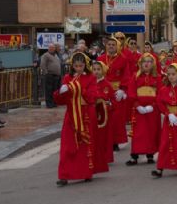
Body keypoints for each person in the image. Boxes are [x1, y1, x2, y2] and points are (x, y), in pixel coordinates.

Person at [53, 52, 105, 186]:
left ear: (85, 65)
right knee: (67, 145)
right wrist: (61, 92)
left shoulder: (91, 78)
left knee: (85, 144)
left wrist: (77, 88)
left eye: (81, 66)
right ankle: (64, 175)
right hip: (71, 115)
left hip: (86, 114)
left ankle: (86, 172)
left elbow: (93, 97)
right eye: (76, 66)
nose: (78, 69)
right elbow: (61, 100)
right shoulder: (67, 77)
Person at [126, 53, 162, 166]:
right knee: (138, 133)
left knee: (152, 131)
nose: (147, 64)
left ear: (153, 64)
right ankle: (134, 155)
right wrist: (137, 106)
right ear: (140, 64)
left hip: (152, 110)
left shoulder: (158, 77)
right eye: (144, 61)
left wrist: (153, 105)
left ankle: (150, 154)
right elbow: (131, 93)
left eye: (150, 62)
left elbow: (161, 94)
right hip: (139, 110)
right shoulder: (135, 76)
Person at [97, 37, 130, 150]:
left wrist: (123, 89)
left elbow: (126, 75)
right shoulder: (100, 58)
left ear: (117, 46)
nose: (111, 46)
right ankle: (104, 140)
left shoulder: (123, 59)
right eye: (109, 44)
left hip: (116, 93)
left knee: (116, 119)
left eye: (113, 44)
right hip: (102, 91)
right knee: (103, 115)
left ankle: (115, 141)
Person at [91, 60, 115, 164]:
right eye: (94, 69)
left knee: (105, 136)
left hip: (104, 114)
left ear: (103, 70)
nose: (96, 72)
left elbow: (112, 100)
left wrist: (108, 104)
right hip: (93, 113)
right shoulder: (90, 83)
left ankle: (106, 156)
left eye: (98, 69)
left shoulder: (107, 85)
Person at [40, 43, 62, 108]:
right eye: (50, 47)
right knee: (49, 90)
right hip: (50, 75)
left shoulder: (56, 55)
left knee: (55, 90)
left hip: (57, 75)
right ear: (48, 48)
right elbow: (42, 64)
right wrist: (46, 73)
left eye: (53, 48)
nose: (52, 49)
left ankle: (54, 103)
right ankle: (49, 104)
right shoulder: (45, 55)